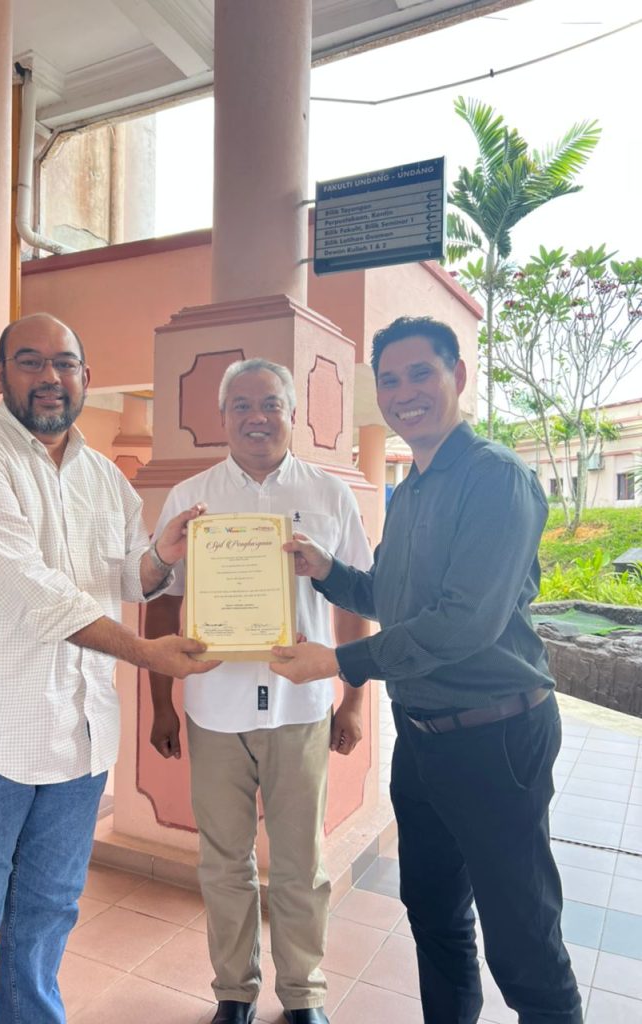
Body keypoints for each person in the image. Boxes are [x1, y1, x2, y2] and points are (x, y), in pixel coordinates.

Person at [271, 317, 582, 1024]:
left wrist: (338, 662)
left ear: (458, 377)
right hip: (422, 738)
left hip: (496, 736)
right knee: (434, 912)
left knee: (522, 936)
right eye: (390, 380)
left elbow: (464, 622)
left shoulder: (496, 479)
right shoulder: (411, 487)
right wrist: (326, 570)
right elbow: (389, 595)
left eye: (421, 374)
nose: (404, 392)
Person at [0, 312, 217, 1024]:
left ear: (86, 377)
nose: (50, 377)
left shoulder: (105, 477)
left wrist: (162, 556)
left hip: (78, 742)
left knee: (45, 921)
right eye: (30, 361)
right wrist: (145, 653)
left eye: (65, 364)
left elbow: (123, 576)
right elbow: (34, 593)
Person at [145, 358, 372, 1024]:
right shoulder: (191, 499)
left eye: (270, 403)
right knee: (224, 863)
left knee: (302, 864)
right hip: (214, 709)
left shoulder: (330, 495)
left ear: (292, 414)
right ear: (223, 417)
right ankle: (234, 992)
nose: (256, 417)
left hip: (301, 709)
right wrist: (161, 703)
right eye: (241, 405)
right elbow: (162, 603)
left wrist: (354, 699)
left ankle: (303, 995)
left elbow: (355, 602)